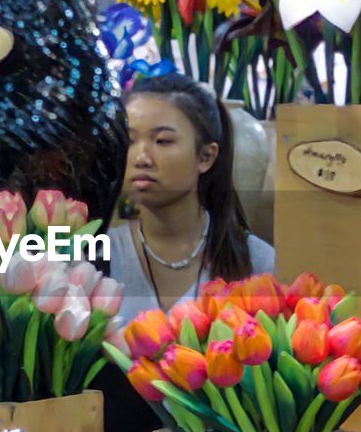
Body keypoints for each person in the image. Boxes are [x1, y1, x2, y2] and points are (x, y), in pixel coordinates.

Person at [109, 73, 273, 317]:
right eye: (130, 140)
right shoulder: (99, 257)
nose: (141, 157)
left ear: (206, 157)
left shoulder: (257, 263)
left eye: (162, 141)